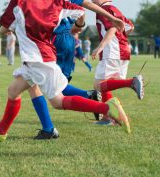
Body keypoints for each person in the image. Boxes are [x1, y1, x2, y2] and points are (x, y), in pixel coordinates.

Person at [0, 0, 131, 142]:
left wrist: (9, 27)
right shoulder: (57, 2)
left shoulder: (19, 2)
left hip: (38, 59)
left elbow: (3, 28)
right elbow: (81, 9)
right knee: (13, 90)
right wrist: (111, 18)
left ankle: (107, 108)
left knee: (58, 101)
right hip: (41, 56)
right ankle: (1, 130)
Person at [28, 0, 130, 139]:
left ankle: (49, 128)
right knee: (51, 84)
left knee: (44, 88)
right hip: (67, 37)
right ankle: (89, 97)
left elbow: (85, 5)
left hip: (54, 38)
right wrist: (79, 24)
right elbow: (83, 6)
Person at [91, 0, 144, 124]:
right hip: (123, 50)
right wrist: (121, 38)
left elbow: (111, 29)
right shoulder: (115, 9)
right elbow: (130, 26)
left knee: (99, 85)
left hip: (112, 51)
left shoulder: (103, 9)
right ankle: (108, 118)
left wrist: (101, 46)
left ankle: (132, 82)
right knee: (105, 84)